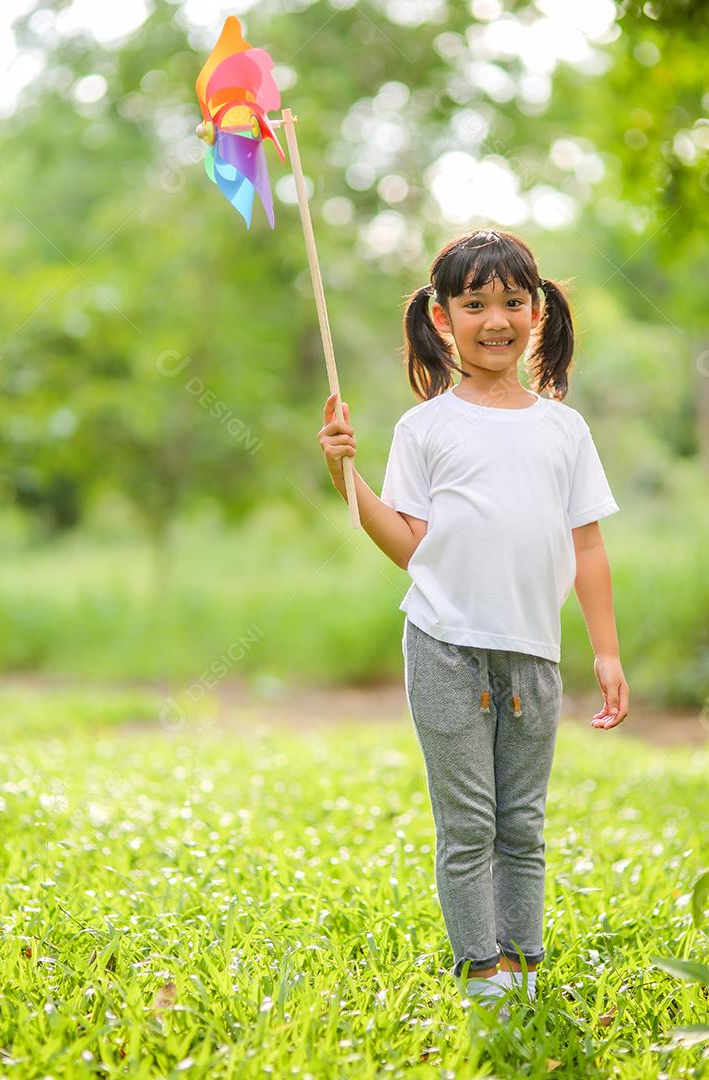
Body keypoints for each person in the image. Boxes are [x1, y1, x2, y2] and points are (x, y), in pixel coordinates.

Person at [317, 228, 629, 1012]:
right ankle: (480, 972)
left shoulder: (564, 427)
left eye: (514, 302)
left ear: (540, 311)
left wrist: (607, 652)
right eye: (475, 302)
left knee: (522, 823)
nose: (497, 319)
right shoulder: (427, 427)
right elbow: (409, 547)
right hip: (446, 645)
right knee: (469, 824)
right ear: (441, 316)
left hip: (533, 652)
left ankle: (523, 965)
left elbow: (586, 544)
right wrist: (343, 477)